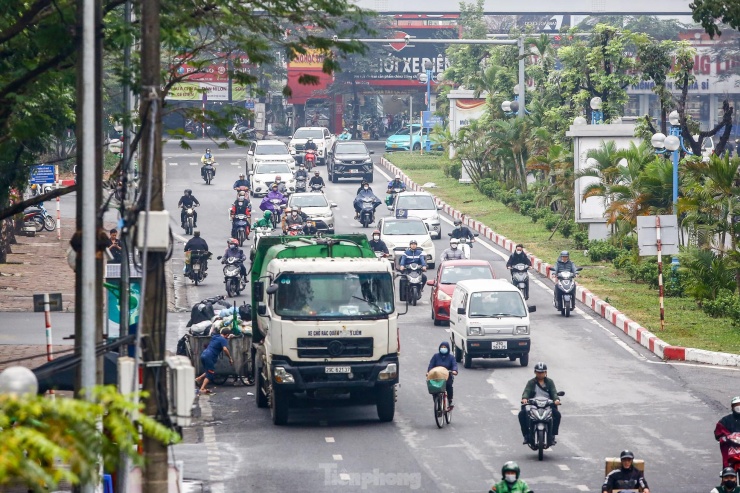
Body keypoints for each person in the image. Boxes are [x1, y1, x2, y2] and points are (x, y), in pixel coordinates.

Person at [519, 362, 561, 444]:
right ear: (535, 372)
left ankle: (552, 435)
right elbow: (526, 392)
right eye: (538, 372)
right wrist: (524, 398)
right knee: (521, 414)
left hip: (547, 405)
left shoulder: (550, 382)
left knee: (557, 415)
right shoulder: (531, 382)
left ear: (545, 372)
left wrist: (556, 400)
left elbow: (554, 392)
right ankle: (526, 436)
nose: (540, 374)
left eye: (542, 372)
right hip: (534, 405)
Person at [194, 327, 234, 395]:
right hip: (209, 357)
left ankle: (198, 379)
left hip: (204, 354)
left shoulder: (216, 336)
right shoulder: (223, 339)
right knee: (210, 373)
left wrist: (228, 338)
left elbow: (219, 340)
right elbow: (225, 349)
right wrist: (230, 358)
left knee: (208, 370)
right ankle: (202, 388)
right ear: (227, 335)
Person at [426, 340, 458, 408]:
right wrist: (428, 372)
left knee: (449, 386)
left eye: (445, 347)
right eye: (442, 347)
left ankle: (450, 401)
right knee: (434, 389)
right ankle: (437, 404)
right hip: (437, 377)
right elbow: (431, 365)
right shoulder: (435, 356)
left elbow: (454, 365)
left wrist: (454, 371)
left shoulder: (451, 357)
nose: (443, 348)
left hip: (447, 377)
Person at [715, 396, 740, 467]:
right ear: (732, 407)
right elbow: (718, 433)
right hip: (730, 448)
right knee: (728, 472)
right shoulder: (725, 420)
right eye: (736, 405)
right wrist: (725, 438)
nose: (738, 407)